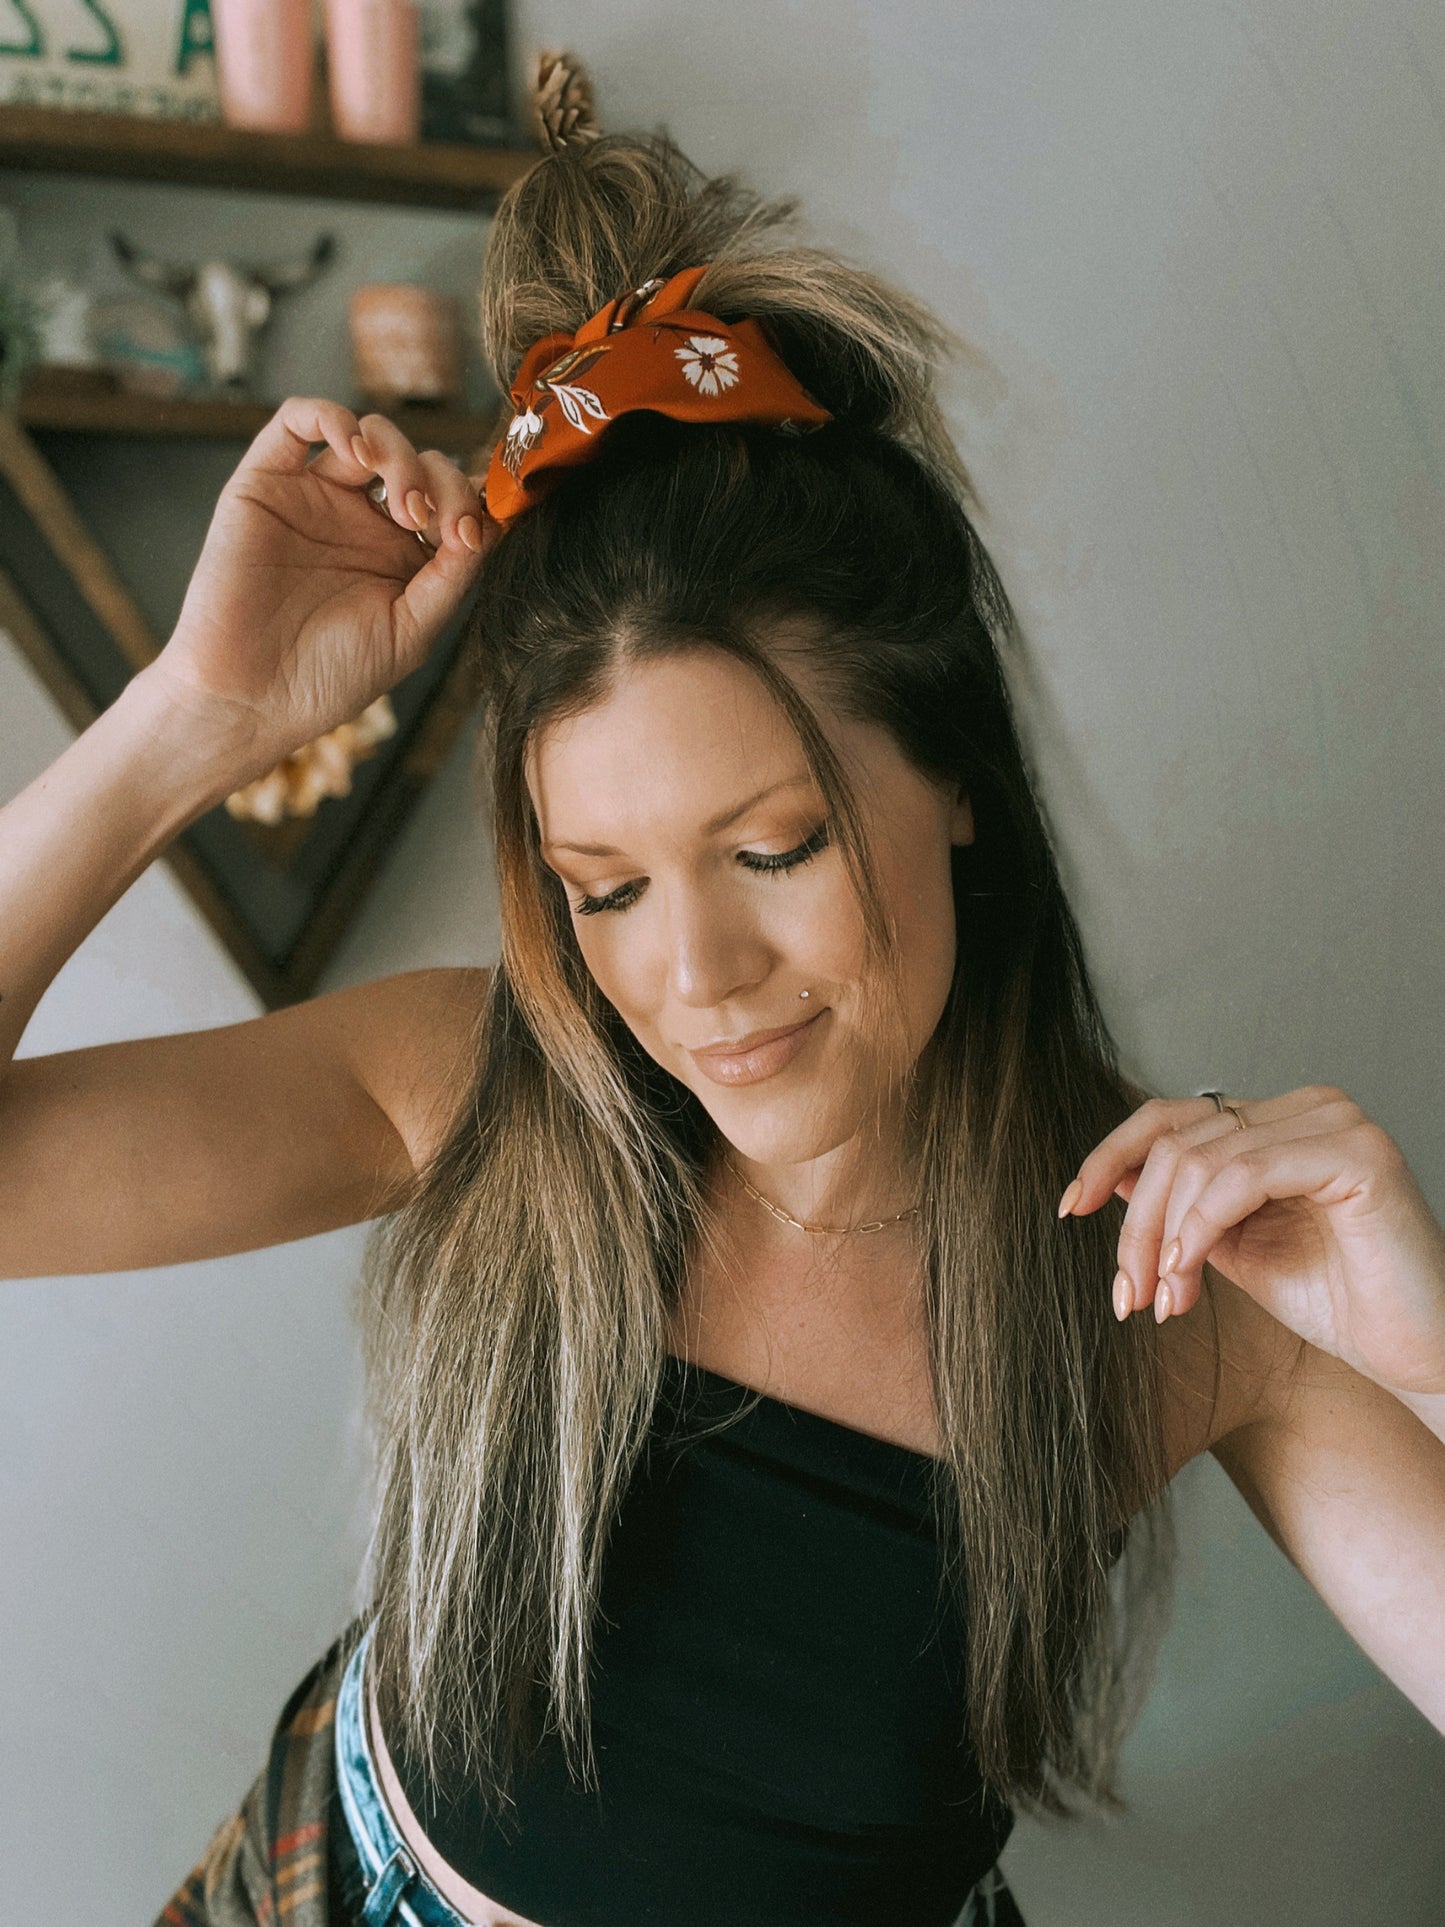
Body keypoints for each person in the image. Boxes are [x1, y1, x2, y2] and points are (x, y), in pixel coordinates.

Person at [2, 129, 1443, 1927]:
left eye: (775, 848)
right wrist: (191, 723)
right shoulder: (471, 1088)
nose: (693, 975)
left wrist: (1432, 1364)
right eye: (602, 887)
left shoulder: (1183, 1268)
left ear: (956, 785)